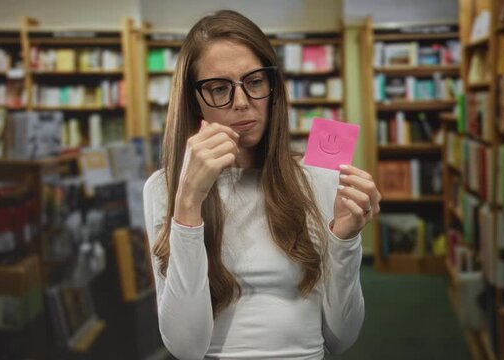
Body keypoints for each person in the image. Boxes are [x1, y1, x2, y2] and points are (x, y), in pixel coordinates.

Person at [142, 9, 381, 360]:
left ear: (273, 89)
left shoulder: (319, 179)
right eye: (219, 88)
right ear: (195, 100)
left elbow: (341, 337)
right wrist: (189, 203)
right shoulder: (165, 188)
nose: (241, 102)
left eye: (254, 82)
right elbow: (185, 348)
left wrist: (345, 239)